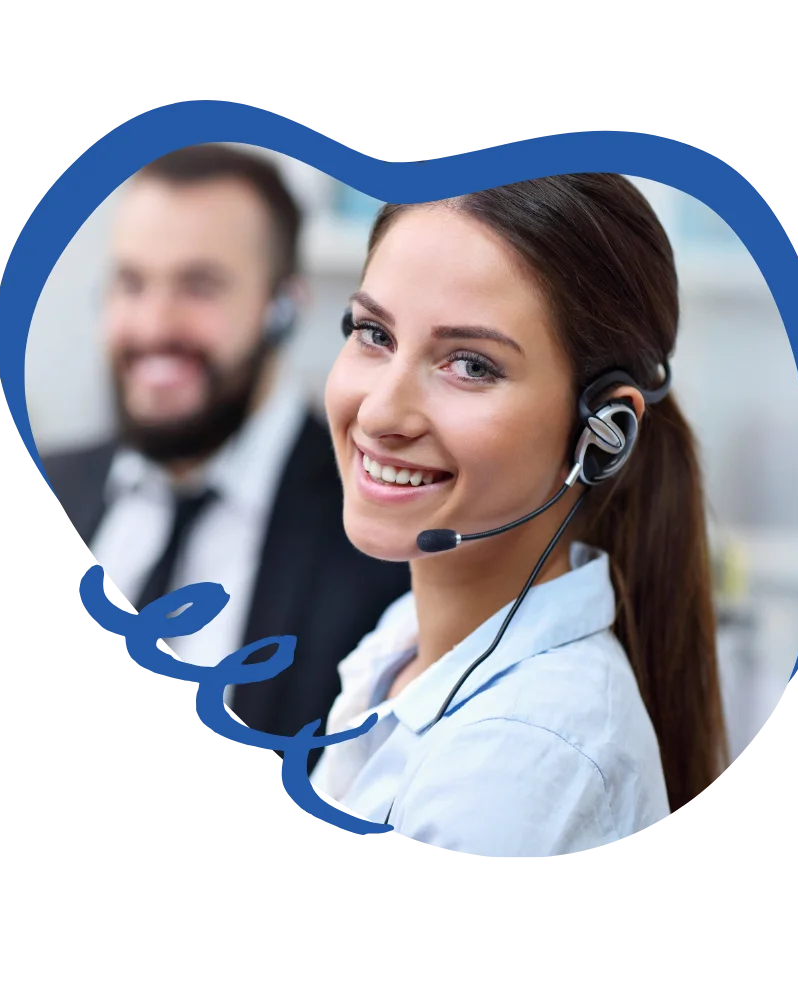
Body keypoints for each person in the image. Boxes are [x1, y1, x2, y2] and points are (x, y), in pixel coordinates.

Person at [310, 173, 729, 857]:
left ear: (604, 430)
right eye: (373, 332)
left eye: (470, 364)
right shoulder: (411, 644)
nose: (380, 413)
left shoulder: (518, 762)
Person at [42, 144, 410, 767]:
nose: (155, 325)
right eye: (131, 283)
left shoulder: (378, 532)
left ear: (284, 306)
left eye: (200, 286)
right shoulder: (56, 480)